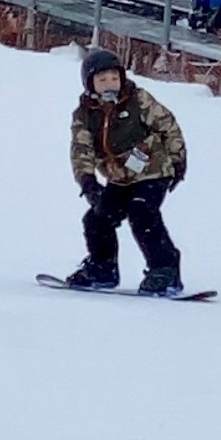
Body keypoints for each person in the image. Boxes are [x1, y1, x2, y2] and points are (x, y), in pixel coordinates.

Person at [65, 48, 187, 295]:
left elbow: (168, 126)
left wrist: (177, 160)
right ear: (90, 84)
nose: (109, 83)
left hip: (153, 169)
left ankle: (165, 270)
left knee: (142, 211)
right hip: (120, 177)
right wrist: (88, 182)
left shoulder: (138, 100)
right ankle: (103, 267)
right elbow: (81, 148)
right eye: (102, 80)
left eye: (114, 77)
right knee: (97, 219)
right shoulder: (85, 114)